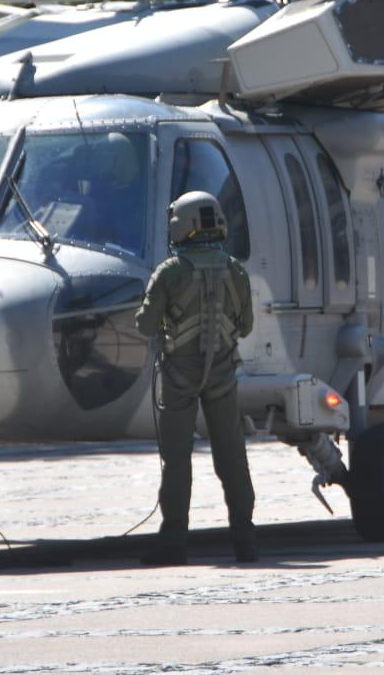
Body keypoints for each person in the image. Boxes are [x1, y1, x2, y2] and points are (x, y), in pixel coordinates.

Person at [134, 190, 257, 565]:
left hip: (178, 379)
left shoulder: (169, 272)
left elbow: (144, 325)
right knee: (233, 458)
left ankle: (173, 543)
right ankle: (245, 540)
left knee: (177, 460)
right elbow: (247, 327)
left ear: (181, 225)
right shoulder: (236, 270)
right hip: (222, 378)